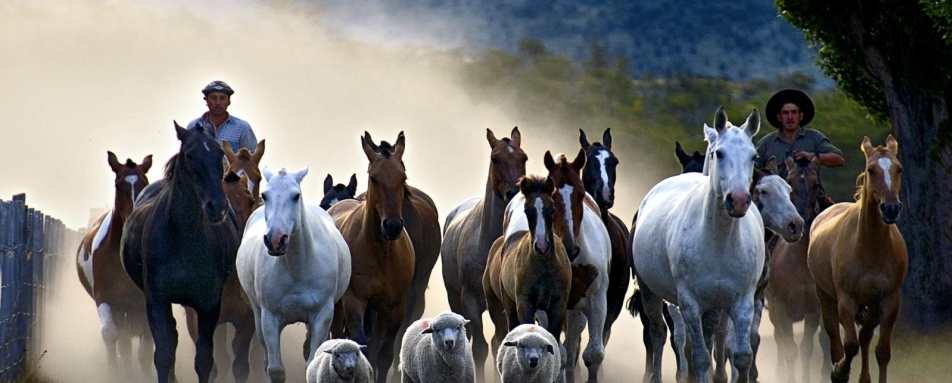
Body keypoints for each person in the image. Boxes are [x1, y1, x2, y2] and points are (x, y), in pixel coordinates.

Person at [757, 88, 845, 207]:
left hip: (813, 200)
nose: (790, 117)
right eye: (785, 113)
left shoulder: (814, 137)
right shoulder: (766, 143)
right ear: (779, 117)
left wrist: (812, 156)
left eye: (794, 112)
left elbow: (839, 159)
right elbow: (752, 169)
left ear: (801, 116)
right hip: (777, 202)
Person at [187, 80, 258, 152]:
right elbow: (186, 156)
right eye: (213, 98)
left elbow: (252, 159)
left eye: (222, 98)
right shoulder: (193, 126)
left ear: (229, 101)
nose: (218, 102)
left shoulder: (243, 128)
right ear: (206, 100)